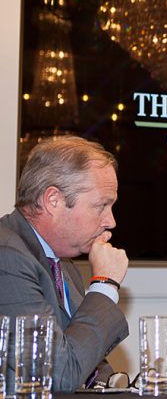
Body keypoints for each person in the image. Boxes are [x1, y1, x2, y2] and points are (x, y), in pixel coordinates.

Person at [0, 136, 129, 393]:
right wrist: (105, 285)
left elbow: (83, 352)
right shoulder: (7, 258)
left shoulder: (62, 261)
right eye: (101, 205)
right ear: (53, 200)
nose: (111, 221)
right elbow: (56, 375)